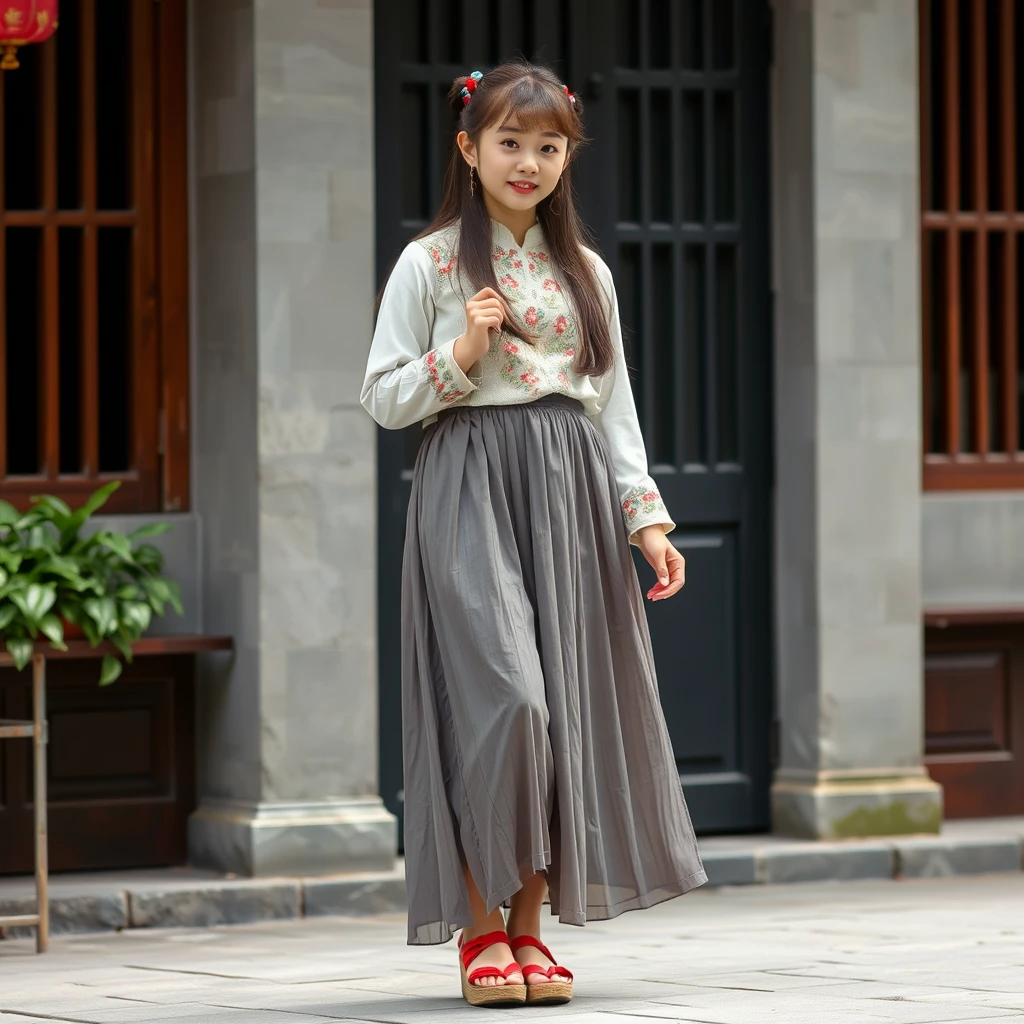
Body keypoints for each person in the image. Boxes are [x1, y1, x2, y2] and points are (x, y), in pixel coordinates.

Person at [361, 60, 706, 1009]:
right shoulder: (428, 263)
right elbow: (382, 397)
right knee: (505, 702)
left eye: (547, 145)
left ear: (567, 157)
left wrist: (647, 520)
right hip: (468, 484)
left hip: (572, 493)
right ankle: (479, 928)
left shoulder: (585, 272)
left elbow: (612, 404)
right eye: (509, 142)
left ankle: (529, 933)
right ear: (469, 149)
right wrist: (460, 355)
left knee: (565, 710)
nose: (529, 161)